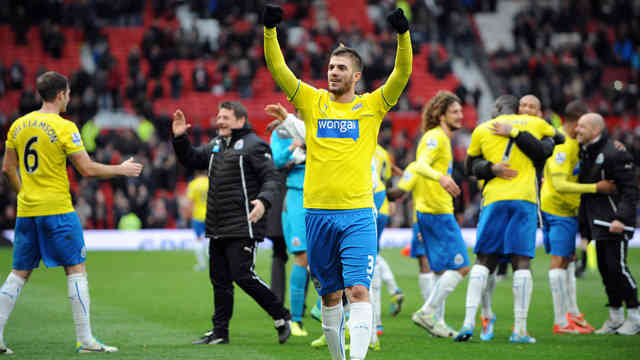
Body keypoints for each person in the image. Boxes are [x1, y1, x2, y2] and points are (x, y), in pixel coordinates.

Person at [263, 4, 412, 360]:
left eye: (341, 68)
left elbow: (402, 72)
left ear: (356, 76)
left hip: (359, 213)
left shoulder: (372, 105)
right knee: (330, 297)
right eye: (331, 67)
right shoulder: (312, 102)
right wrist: (270, 31)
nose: (333, 72)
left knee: (358, 291)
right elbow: (278, 69)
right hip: (317, 214)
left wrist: (403, 36)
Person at [0, 71, 143, 355]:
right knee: (76, 270)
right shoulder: (65, 127)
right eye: (68, 93)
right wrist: (121, 169)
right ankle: (86, 340)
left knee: (18, 274)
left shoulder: (18, 125)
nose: (70, 98)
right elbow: (87, 169)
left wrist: (25, 194)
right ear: (61, 95)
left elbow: (7, 168)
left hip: (27, 211)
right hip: (58, 210)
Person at [171, 101, 292, 345]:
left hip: (244, 223)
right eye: (218, 116)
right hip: (217, 224)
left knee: (242, 274)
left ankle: (281, 315)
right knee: (220, 280)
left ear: (240, 120)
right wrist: (180, 137)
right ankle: (220, 332)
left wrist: (264, 202)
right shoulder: (216, 145)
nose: (220, 121)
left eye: (225, 117)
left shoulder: (255, 145)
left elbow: (272, 177)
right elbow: (192, 159)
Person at [455, 95, 558, 344]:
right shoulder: (537, 125)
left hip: (494, 199)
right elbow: (557, 140)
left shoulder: (482, 128)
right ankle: (519, 330)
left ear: (498, 109)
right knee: (522, 262)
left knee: (483, 261)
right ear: (519, 108)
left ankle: (469, 321)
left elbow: (468, 166)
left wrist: (491, 168)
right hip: (524, 198)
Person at [540, 101, 615, 334]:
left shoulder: (572, 143)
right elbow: (561, 184)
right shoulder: (564, 145)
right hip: (559, 208)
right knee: (559, 261)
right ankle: (561, 322)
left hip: (564, 208)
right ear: (578, 120)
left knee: (569, 259)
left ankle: (572, 314)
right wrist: (596, 188)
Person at [407, 91, 470, 338]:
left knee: (440, 270)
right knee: (462, 267)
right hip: (437, 212)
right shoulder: (436, 137)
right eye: (454, 112)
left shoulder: (439, 137)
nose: (460, 115)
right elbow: (419, 165)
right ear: (441, 115)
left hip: (429, 211)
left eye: (460, 111)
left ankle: (438, 323)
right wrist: (441, 177)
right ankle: (428, 311)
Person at [575, 112, 640, 335]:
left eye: (582, 126)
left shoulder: (615, 153)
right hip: (598, 221)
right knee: (605, 270)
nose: (577, 130)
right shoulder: (586, 151)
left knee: (617, 268)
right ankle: (615, 317)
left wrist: (621, 218)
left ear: (595, 130)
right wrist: (585, 227)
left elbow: (630, 189)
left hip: (614, 221)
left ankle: (635, 314)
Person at [266, 102, 310, 337]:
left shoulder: (323, 126)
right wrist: (294, 148)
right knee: (301, 256)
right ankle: (295, 319)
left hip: (324, 197)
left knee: (329, 258)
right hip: (296, 195)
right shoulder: (282, 131)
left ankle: (323, 311)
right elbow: (276, 160)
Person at [186, 171, 209, 271]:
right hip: (211, 215)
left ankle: (202, 265)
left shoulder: (193, 184)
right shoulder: (211, 182)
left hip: (198, 216)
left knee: (199, 240)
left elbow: (190, 202)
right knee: (211, 241)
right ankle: (215, 264)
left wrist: (189, 215)